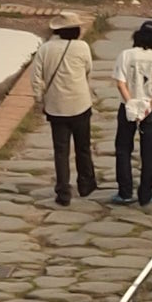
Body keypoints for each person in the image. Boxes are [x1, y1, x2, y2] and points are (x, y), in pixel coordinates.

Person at [32, 21, 98, 207]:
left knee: (61, 151)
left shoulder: (45, 49)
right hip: (80, 103)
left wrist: (39, 99)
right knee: (83, 147)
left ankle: (63, 192)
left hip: (56, 106)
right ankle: (86, 184)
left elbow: (36, 77)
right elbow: (88, 70)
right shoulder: (82, 47)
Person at [114, 17, 152, 207]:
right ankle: (146, 194)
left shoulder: (126, 55)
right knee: (149, 153)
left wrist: (130, 102)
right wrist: (151, 106)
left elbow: (120, 82)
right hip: (151, 109)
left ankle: (125, 192)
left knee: (123, 149)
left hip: (128, 107)